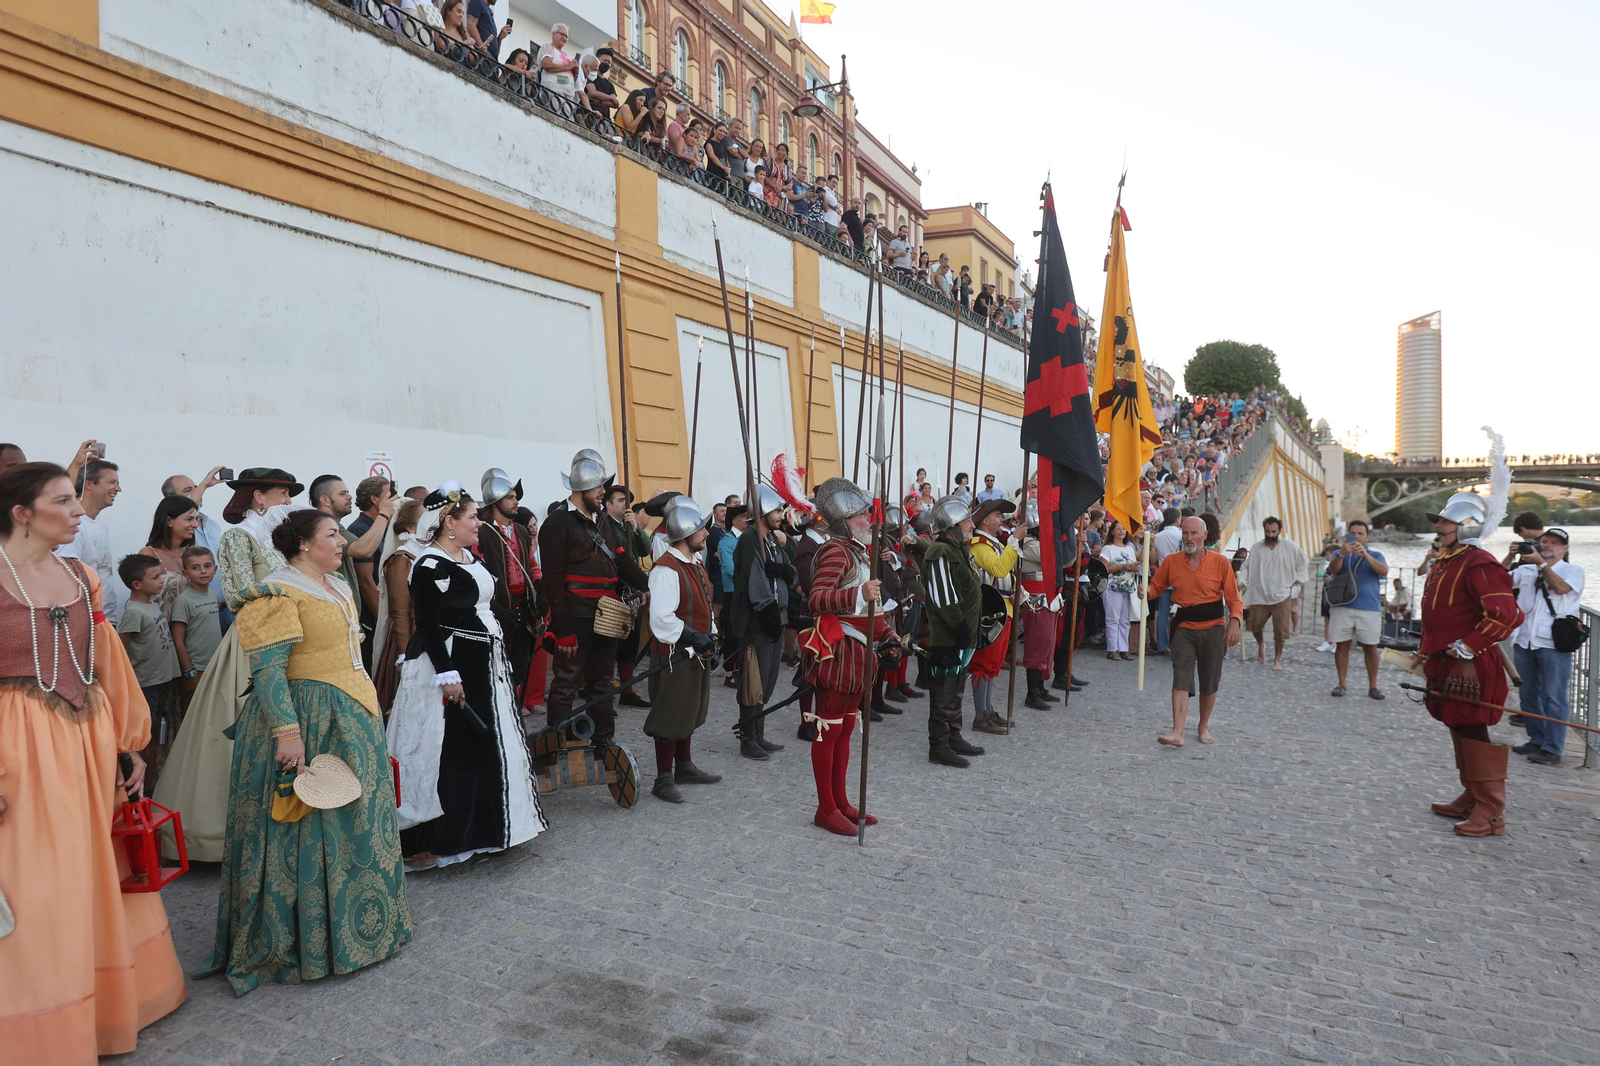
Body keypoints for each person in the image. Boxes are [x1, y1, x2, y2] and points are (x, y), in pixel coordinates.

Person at [0, 461, 187, 1061]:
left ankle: (106, 1004)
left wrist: (128, 745)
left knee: (97, 867)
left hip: (87, 741)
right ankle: (38, 1023)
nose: (78, 509)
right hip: (16, 751)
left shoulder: (81, 576)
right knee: (33, 882)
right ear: (22, 512)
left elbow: (104, 664)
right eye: (63, 500)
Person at [198, 508, 411, 993]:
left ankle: (365, 929)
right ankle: (305, 941)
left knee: (355, 819)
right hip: (308, 719)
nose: (342, 542)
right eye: (332, 534)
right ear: (303, 544)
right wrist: (288, 734)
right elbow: (269, 671)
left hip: (351, 716)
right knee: (310, 826)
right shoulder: (277, 592)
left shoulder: (334, 584)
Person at [386, 484, 544, 869]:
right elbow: (427, 625)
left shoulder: (471, 558)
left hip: (483, 664)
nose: (478, 523)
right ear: (449, 523)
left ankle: (485, 830)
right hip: (451, 666)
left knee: (484, 748)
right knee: (448, 752)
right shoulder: (429, 566)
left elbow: (484, 608)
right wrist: (447, 675)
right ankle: (437, 838)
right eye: (472, 517)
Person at [151, 468, 301, 862]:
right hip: (252, 641)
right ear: (259, 498)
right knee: (242, 725)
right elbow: (237, 594)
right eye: (282, 494)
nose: (288, 502)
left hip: (288, 639)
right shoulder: (239, 536)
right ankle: (229, 834)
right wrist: (279, 594)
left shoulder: (279, 537)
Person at [1417, 493, 1523, 836]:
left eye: (1446, 523)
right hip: (1445, 658)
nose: (1438, 527)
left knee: (1473, 725)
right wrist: (1425, 649)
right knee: (1457, 723)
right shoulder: (1449, 559)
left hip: (1472, 662)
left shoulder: (1480, 563)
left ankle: (1491, 810)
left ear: (1467, 527)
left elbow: (1506, 615)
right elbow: (1441, 614)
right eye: (1439, 522)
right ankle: (1472, 794)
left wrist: (1466, 651)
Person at [540, 451, 647, 780]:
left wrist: (651, 582)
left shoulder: (603, 524)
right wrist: (563, 629)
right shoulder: (557, 523)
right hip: (575, 618)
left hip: (606, 616)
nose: (603, 492)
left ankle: (604, 744)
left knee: (602, 684)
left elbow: (621, 561)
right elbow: (552, 580)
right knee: (565, 685)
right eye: (599, 487)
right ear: (581, 488)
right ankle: (557, 750)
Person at [800, 478, 898, 832]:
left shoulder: (858, 551)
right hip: (839, 654)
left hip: (860, 655)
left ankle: (841, 802)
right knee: (829, 730)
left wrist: (887, 634)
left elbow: (871, 608)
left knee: (844, 731)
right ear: (845, 521)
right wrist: (857, 594)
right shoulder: (836, 551)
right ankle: (826, 809)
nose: (869, 520)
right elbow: (816, 598)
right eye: (862, 515)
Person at [642, 497, 722, 802]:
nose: (706, 533)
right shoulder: (666, 569)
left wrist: (711, 637)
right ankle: (663, 778)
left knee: (690, 709)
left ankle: (684, 766)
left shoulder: (696, 563)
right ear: (686, 534)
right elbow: (661, 618)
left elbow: (705, 606)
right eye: (701, 529)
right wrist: (693, 637)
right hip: (673, 656)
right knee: (670, 714)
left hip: (695, 654)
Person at [1143, 516, 1243, 748]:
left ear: (1204, 536)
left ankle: (1203, 725)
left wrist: (1235, 621)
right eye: (1185, 533)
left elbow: (1233, 598)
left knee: (1209, 679)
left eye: (1194, 533)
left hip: (1213, 628)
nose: (1189, 538)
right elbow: (1156, 587)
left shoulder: (1220, 562)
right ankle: (1177, 731)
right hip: (1183, 628)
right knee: (1181, 678)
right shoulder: (1172, 561)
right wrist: (1146, 591)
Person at [727, 485, 794, 760]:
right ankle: (748, 738)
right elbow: (756, 585)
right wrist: (770, 615)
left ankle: (759, 732)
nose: (781, 515)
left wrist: (782, 570)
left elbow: (790, 572)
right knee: (752, 681)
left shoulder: (772, 540)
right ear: (763, 512)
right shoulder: (750, 540)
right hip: (758, 621)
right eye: (776, 511)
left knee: (767, 680)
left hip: (776, 619)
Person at [1509, 527, 1584, 766]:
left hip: (1553, 643)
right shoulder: (1526, 569)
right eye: (1544, 541)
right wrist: (1510, 556)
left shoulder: (1573, 571)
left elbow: (1561, 589)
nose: (1547, 545)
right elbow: (1496, 581)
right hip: (1525, 639)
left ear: (1565, 548)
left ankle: (1553, 748)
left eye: (1554, 542)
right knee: (1528, 694)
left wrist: (1541, 564)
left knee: (1554, 696)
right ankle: (1537, 739)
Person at [921, 495, 987, 766]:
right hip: (948, 637)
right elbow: (944, 599)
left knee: (956, 689)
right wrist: (961, 628)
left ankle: (953, 736)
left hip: (962, 635)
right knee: (944, 693)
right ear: (952, 526)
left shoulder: (959, 549)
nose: (973, 525)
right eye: (967, 521)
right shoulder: (940, 552)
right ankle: (938, 746)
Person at [117, 554, 181, 789]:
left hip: (160, 680)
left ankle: (154, 781)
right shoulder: (134, 612)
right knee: (145, 735)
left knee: (155, 731)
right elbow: (118, 649)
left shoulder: (152, 605)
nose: (161, 581)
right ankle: (146, 786)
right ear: (137, 584)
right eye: (155, 577)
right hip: (146, 684)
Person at [475, 468, 538, 705]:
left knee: (519, 666)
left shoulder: (521, 530)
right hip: (497, 609)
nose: (516, 501)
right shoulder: (481, 532)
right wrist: (494, 606)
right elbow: (478, 571)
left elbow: (531, 563)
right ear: (495, 502)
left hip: (524, 608)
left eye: (515, 497)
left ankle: (514, 710)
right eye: (510, 497)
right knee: (496, 667)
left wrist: (539, 587)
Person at [599, 484, 653, 708]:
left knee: (631, 644)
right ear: (608, 504)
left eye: (627, 501)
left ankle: (627, 691)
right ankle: (602, 696)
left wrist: (636, 528)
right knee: (611, 646)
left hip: (633, 591)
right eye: (621, 500)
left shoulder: (626, 526)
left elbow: (645, 549)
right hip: (616, 591)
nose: (626, 505)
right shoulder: (604, 526)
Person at [966, 498, 1017, 733]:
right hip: (989, 611)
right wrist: (1014, 544)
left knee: (994, 664)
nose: (1002, 519)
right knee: (983, 663)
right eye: (998, 515)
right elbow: (998, 569)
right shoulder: (979, 544)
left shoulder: (994, 544)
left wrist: (1016, 590)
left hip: (1003, 608)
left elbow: (1007, 574)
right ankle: (980, 716)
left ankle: (988, 709)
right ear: (985, 520)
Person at [1327, 519, 1389, 699]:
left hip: (1369, 607)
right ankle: (1342, 683)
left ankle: (1373, 686)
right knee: (1342, 645)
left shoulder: (1376, 555)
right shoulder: (1340, 553)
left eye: (1361, 534)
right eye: (1353, 533)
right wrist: (1341, 553)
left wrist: (1366, 555)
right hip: (1343, 605)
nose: (1357, 537)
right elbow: (1333, 570)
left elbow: (1383, 570)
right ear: (1348, 536)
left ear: (1367, 537)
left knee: (1370, 647)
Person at [57, 457, 123, 624]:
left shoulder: (101, 524)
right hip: (85, 622)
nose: (118, 489)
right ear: (89, 484)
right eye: (112, 482)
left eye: (117, 483)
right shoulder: (74, 525)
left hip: (106, 619)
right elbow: (68, 576)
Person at [374, 498, 424, 714]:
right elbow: (400, 612)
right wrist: (405, 654)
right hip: (410, 636)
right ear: (411, 527)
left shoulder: (428, 554)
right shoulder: (401, 560)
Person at [1239, 516, 1308, 671]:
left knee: (1281, 630)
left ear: (1279, 531)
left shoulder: (1289, 546)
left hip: (1282, 595)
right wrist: (1243, 580)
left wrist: (1297, 583)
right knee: (1255, 625)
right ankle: (1261, 645)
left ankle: (1277, 658)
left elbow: (1303, 563)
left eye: (1273, 531)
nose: (1270, 534)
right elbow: (1246, 566)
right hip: (1260, 593)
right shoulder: (1257, 548)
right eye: (1268, 531)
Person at [171, 545, 225, 714]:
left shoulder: (214, 595)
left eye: (207, 566)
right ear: (186, 573)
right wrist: (189, 670)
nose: (203, 571)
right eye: (195, 568)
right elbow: (178, 640)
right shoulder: (183, 601)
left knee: (213, 712)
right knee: (194, 714)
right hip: (196, 669)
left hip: (215, 666)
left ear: (215, 569)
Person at [1017, 520, 1062, 709]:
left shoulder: (1040, 543)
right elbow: (1054, 557)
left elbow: (1067, 560)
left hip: (1049, 598)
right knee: (1038, 644)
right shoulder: (1028, 544)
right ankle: (1032, 692)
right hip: (1036, 599)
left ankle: (1040, 687)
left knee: (1047, 645)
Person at [1100, 520, 1139, 661]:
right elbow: (1104, 568)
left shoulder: (1129, 548)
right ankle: (1112, 649)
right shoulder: (1108, 548)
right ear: (1112, 531)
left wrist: (1134, 568)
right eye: (1118, 529)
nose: (1122, 531)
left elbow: (1135, 562)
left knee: (1124, 620)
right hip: (1113, 586)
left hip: (1127, 587)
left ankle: (1123, 648)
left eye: (1123, 529)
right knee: (1113, 619)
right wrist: (1122, 567)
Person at [1149, 507, 1182, 654]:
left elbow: (1153, 558)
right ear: (1177, 519)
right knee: (1180, 612)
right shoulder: (1181, 535)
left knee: (1163, 613)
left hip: (1164, 577)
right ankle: (1177, 643)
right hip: (1180, 578)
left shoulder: (1158, 536)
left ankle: (1162, 644)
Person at [536, 23, 581, 102]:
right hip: (554, 88)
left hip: (569, 94)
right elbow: (547, 65)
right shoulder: (548, 47)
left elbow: (574, 78)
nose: (564, 38)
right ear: (553, 34)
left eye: (566, 36)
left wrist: (576, 71)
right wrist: (568, 67)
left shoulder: (567, 55)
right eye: (562, 34)